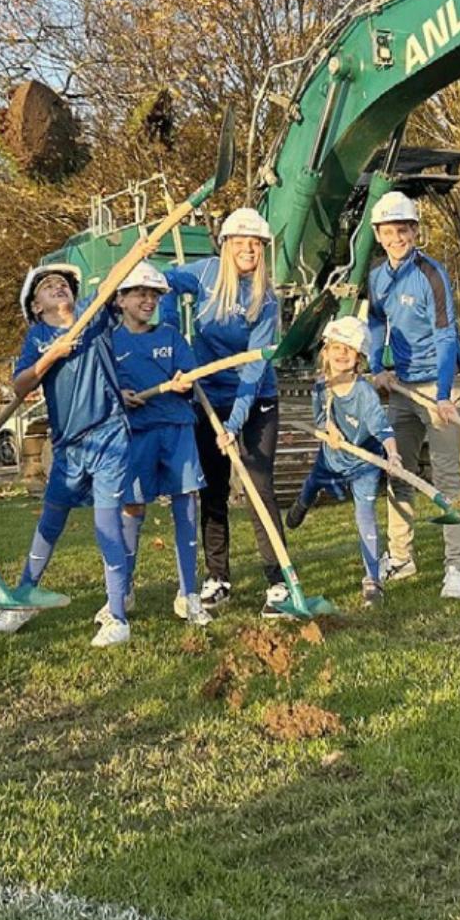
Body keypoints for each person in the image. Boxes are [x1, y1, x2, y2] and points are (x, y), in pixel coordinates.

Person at [0, 257, 146, 646]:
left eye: (63, 283)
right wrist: (53, 355)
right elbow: (20, 385)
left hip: (109, 435)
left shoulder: (93, 315)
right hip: (68, 446)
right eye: (48, 287)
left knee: (107, 523)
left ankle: (117, 616)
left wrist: (140, 249)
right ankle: (24, 599)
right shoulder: (38, 337)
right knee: (50, 521)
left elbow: (111, 283)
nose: (58, 286)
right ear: (36, 306)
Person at [165, 208, 287, 616]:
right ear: (226, 244)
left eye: (256, 243)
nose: (249, 249)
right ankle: (218, 578)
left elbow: (254, 368)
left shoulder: (265, 299)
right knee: (212, 489)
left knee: (257, 486)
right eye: (241, 242)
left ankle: (278, 581)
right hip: (207, 396)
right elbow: (161, 282)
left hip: (255, 398)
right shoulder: (205, 274)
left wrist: (234, 424)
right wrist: (172, 333)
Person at [364, 190, 460, 600]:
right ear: (378, 235)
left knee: (446, 477)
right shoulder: (377, 277)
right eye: (389, 232)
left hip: (441, 387)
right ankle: (401, 557)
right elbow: (377, 324)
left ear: (414, 231)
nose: (397, 238)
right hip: (403, 387)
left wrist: (443, 393)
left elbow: (446, 336)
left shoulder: (432, 275)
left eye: (403, 230)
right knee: (398, 471)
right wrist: (377, 366)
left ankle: (458, 567)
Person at [109, 262, 210, 627]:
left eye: (153, 295)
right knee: (132, 506)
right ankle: (122, 590)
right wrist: (119, 394)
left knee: (186, 503)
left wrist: (185, 381)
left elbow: (190, 376)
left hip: (177, 429)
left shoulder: (171, 336)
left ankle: (189, 595)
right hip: (135, 434)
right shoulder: (110, 342)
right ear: (121, 299)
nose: (148, 300)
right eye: (140, 293)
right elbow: (104, 387)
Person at [291, 316, 400, 606]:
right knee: (312, 484)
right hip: (331, 459)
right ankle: (302, 503)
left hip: (365, 463)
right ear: (326, 352)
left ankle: (373, 580)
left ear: (359, 358)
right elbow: (318, 418)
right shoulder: (320, 387)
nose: (342, 354)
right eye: (337, 347)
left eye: (349, 349)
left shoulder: (364, 393)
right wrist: (328, 427)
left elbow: (382, 428)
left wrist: (393, 453)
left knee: (365, 514)